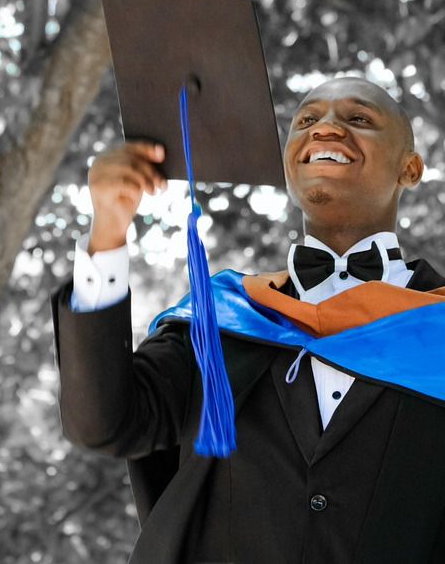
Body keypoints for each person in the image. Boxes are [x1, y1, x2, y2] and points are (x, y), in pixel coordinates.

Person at [51, 76, 445, 564]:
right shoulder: (225, 319)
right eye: (307, 119)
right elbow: (102, 422)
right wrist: (106, 234)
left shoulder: (437, 326)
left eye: (359, 118)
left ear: (410, 168)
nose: (324, 128)